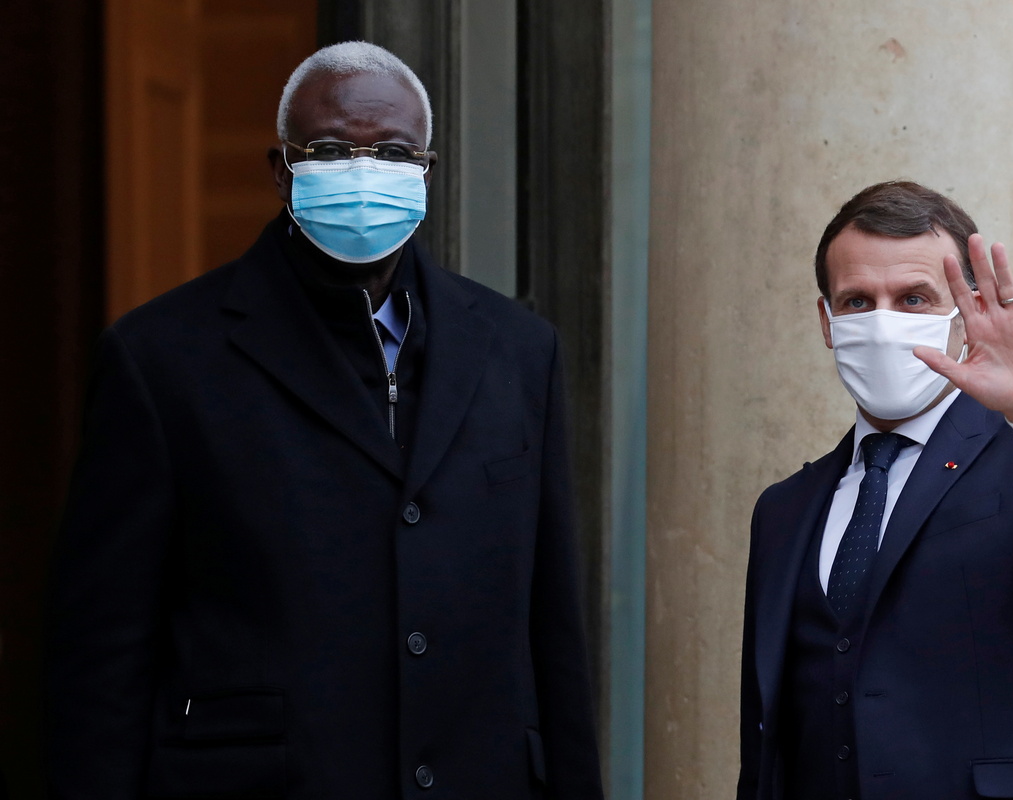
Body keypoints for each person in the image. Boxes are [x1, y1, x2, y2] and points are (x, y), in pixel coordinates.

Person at [45, 41, 604, 799]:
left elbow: (553, 633)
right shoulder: (162, 360)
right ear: (282, 171)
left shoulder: (519, 352)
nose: (364, 172)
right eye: (333, 150)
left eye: (394, 152)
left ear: (427, 172)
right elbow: (102, 654)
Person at [737, 181, 1013, 800]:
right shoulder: (784, 510)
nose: (883, 322)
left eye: (913, 298)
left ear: (964, 314)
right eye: (858, 301)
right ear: (827, 321)